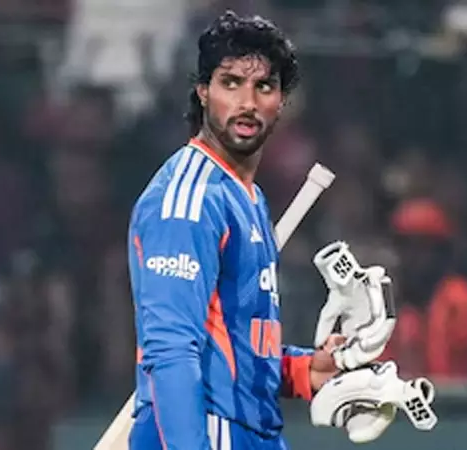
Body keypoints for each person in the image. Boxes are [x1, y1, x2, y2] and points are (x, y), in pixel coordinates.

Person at [127, 11, 343, 450]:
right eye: (231, 83)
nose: (247, 102)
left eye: (263, 86)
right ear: (203, 91)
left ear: (281, 100)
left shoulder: (248, 197)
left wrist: (304, 370)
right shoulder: (189, 198)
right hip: (206, 430)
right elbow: (171, 350)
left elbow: (235, 348)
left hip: (252, 431)